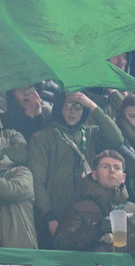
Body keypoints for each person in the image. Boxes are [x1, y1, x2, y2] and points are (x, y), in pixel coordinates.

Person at [27, 90, 123, 241]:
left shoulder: (91, 133)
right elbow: (37, 182)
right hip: (56, 216)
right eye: (67, 105)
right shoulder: (41, 138)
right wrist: (49, 216)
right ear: (59, 108)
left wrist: (93, 106)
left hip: (89, 216)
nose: (72, 111)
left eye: (78, 106)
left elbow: (117, 139)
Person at [53, 149, 135, 258]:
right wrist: (95, 230)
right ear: (94, 175)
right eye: (105, 167)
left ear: (123, 178)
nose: (112, 170)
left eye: (117, 168)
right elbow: (61, 244)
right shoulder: (78, 209)